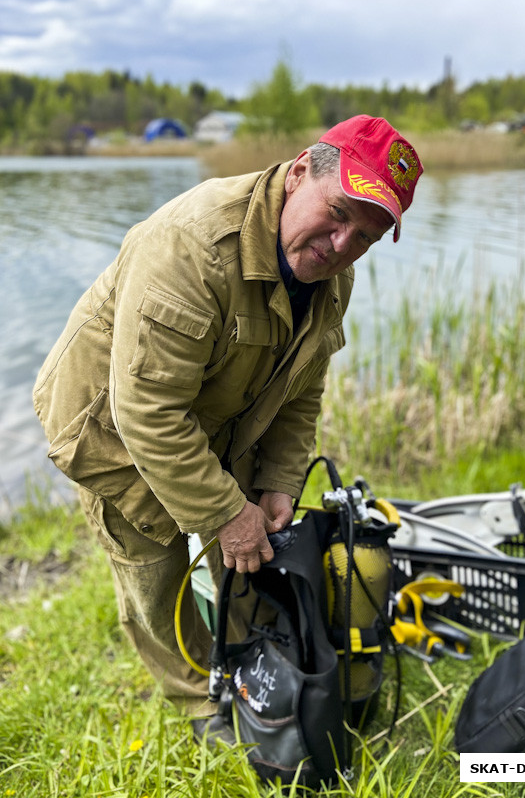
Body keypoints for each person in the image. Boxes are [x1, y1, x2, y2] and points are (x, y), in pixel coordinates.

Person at [32, 114, 423, 735]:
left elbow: (302, 391)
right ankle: (201, 707)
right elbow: (148, 414)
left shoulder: (331, 275)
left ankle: (247, 670)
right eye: (341, 213)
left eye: (368, 235)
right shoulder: (190, 246)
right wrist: (222, 513)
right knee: (155, 565)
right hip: (111, 420)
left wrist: (278, 481)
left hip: (219, 413)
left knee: (252, 552)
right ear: (299, 173)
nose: (345, 244)